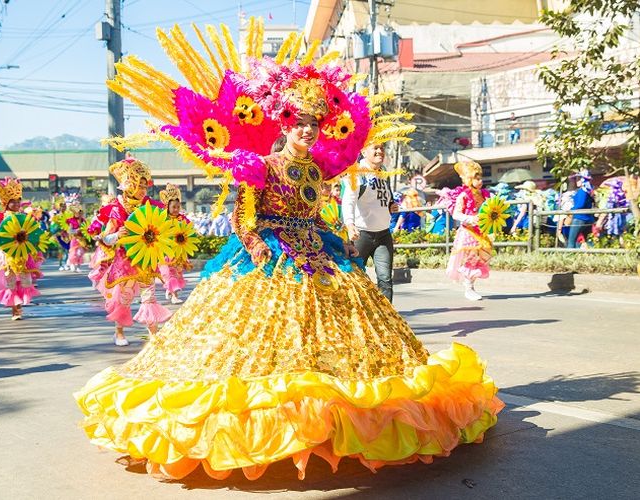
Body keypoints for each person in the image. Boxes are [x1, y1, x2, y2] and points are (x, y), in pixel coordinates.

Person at [75, 24, 502, 481]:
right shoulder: (260, 166)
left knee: (347, 339)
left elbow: (318, 216)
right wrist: (257, 246)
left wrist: (340, 244)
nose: (306, 132)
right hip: (271, 255)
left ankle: (333, 423)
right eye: (298, 124)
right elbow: (245, 216)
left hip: (319, 252)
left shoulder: (317, 171)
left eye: (312, 126)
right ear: (285, 125)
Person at [89, 157, 173, 346]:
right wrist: (118, 234)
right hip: (125, 261)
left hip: (146, 258)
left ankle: (154, 335)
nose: (143, 190)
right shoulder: (117, 210)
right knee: (124, 299)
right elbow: (106, 238)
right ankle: (119, 332)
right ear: (129, 185)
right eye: (139, 185)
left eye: (145, 186)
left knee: (149, 296)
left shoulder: (150, 206)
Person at [341, 143, 399, 302]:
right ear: (363, 151)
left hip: (383, 234)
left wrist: (390, 206)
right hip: (361, 235)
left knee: (385, 279)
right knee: (355, 277)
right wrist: (350, 225)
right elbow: (348, 201)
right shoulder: (357, 172)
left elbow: (385, 199)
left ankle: (388, 319)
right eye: (375, 148)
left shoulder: (384, 172)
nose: (380, 151)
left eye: (382, 148)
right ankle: (355, 316)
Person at [0, 177, 40, 320]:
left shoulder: (24, 217)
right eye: (12, 201)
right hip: (7, 254)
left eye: (18, 200)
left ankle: (19, 306)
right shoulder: (1, 217)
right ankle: (15, 310)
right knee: (10, 281)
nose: (16, 204)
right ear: (6, 202)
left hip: (23, 254)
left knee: (24, 281)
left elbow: (32, 232)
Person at [445, 161, 491, 301]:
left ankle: (471, 286)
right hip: (468, 233)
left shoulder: (485, 195)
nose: (480, 181)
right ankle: (469, 288)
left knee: (478, 260)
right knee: (469, 261)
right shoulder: (463, 196)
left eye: (481, 177)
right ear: (469, 179)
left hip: (481, 232)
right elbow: (456, 214)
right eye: (477, 178)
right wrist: (470, 219)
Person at [158, 184, 191, 304]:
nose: (176, 209)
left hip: (178, 252)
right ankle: (174, 296)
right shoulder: (162, 218)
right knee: (169, 273)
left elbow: (189, 232)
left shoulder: (183, 219)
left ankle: (171, 290)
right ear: (167, 207)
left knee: (177, 273)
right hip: (164, 251)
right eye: (173, 207)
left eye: (178, 207)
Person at [567, 171, 595, 249]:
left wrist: (570, 210)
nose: (576, 181)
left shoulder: (583, 190)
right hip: (588, 218)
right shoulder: (590, 190)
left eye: (578, 179)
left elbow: (580, 204)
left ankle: (570, 256)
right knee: (588, 241)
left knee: (572, 240)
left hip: (579, 218)